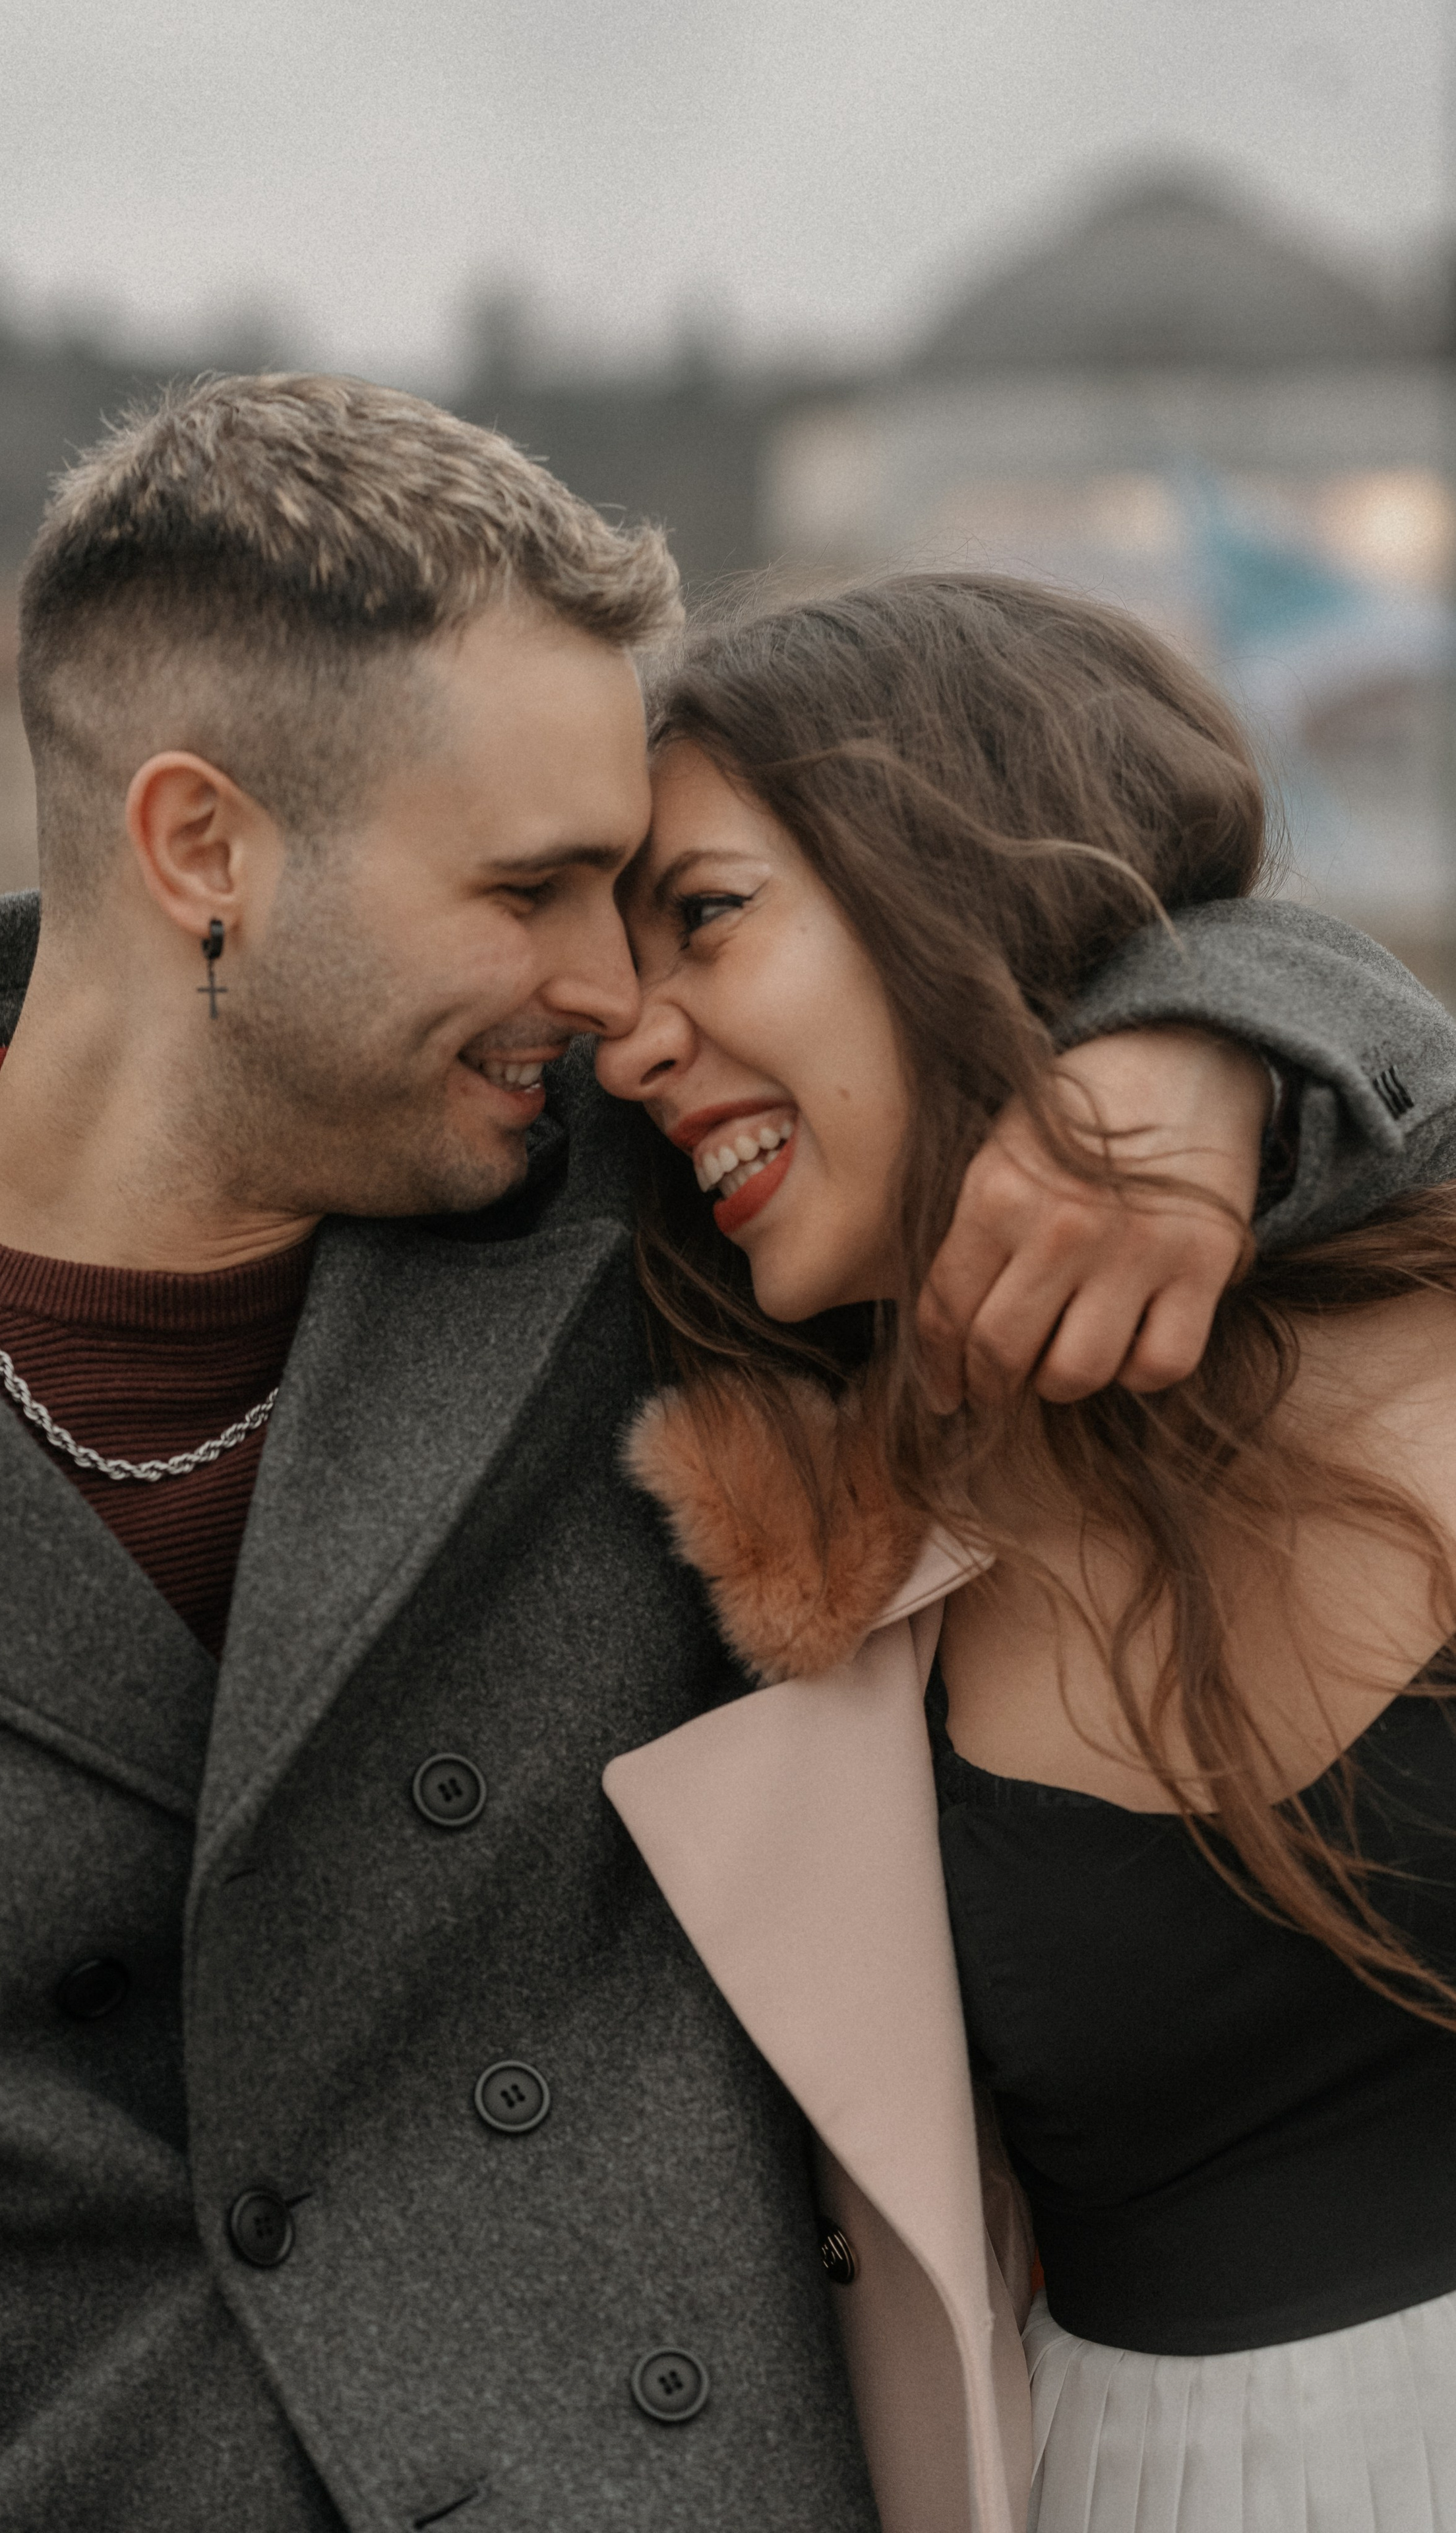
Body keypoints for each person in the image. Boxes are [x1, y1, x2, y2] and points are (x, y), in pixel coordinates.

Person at [0, 387, 1439, 2533]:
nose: (606, 991)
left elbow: (1064, 927)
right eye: (537, 885)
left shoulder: (644, 1221)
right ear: (201, 848)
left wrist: (1213, 1058)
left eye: (645, 899)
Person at [597, 573, 1456, 2533]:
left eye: (709, 917)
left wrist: (1229, 1016)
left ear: (954, 863)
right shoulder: (773, 1551)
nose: (636, 1049)